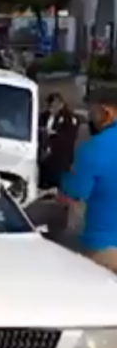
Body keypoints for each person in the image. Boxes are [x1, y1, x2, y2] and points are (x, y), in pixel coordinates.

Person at [58, 83, 117, 273]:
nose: (90, 119)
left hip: (105, 248)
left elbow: (76, 191)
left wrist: (63, 178)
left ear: (106, 113)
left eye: (92, 113)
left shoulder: (96, 147)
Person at [38, 93, 78, 190]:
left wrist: (53, 135)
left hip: (60, 160)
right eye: (50, 105)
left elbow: (69, 137)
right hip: (45, 159)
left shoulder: (69, 118)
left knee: (58, 187)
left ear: (61, 105)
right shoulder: (43, 116)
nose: (51, 108)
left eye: (54, 105)